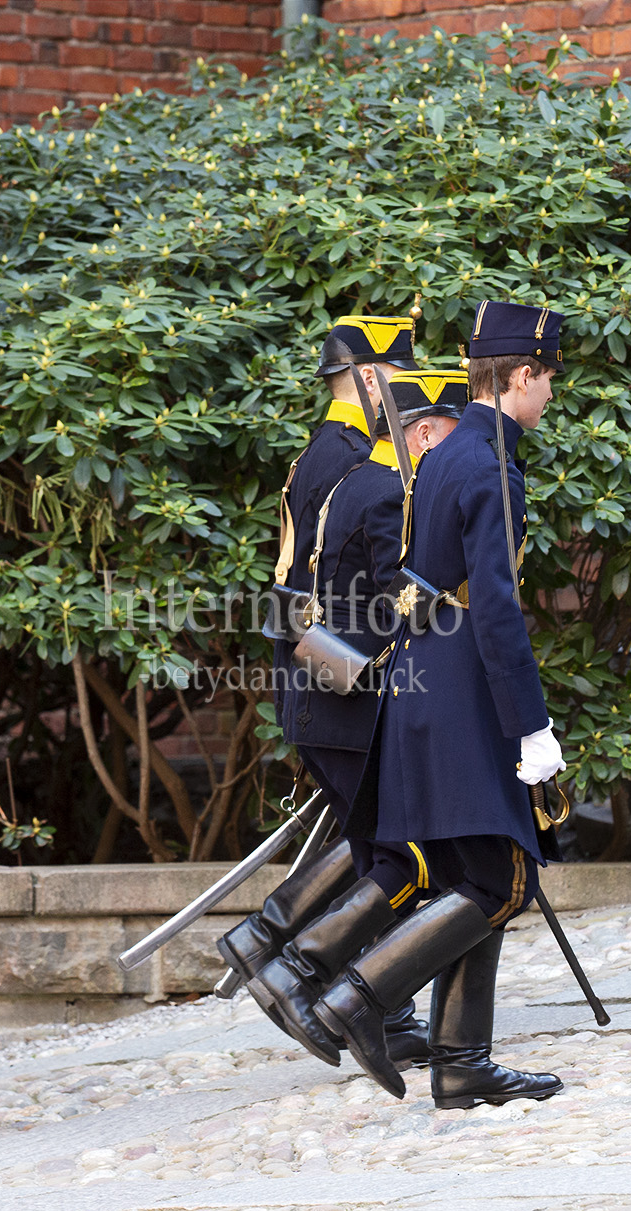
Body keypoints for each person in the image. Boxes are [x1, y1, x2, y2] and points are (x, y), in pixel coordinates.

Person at [310, 301, 571, 1111]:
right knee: (499, 882)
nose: (551, 396)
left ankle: (461, 1062)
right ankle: (360, 993)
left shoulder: (444, 453)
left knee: (472, 873)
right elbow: (493, 604)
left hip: (427, 671)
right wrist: (530, 723)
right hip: (463, 686)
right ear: (523, 376)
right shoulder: (490, 462)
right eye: (549, 380)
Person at [238, 369, 472, 1069]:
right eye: (451, 437)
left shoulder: (351, 480)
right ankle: (311, 976)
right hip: (349, 703)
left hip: (323, 694)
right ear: (421, 430)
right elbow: (401, 603)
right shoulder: (384, 493)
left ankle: (343, 991)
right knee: (409, 858)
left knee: (383, 855)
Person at [216, 317, 417, 991]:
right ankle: (350, 993)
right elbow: (305, 598)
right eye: (397, 379)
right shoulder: (353, 456)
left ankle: (360, 997)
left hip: (322, 672)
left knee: (373, 843)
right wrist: (355, 682)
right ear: (368, 377)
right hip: (333, 677)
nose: (408, 394)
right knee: (389, 847)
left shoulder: (330, 449)